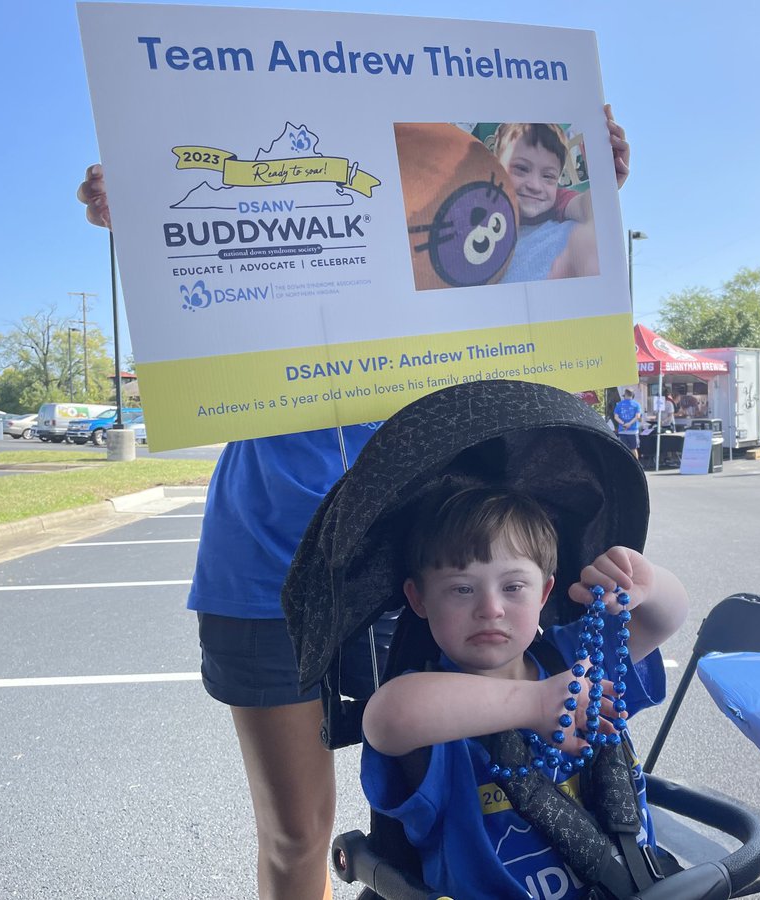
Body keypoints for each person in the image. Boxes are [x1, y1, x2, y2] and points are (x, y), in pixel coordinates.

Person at [78, 167, 389, 900]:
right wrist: (144, 213)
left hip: (419, 554)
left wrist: (583, 189)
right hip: (263, 566)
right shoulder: (268, 185)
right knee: (297, 835)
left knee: (452, 810)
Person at [362, 488, 689, 899]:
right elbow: (385, 719)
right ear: (419, 598)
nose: (491, 608)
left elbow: (665, 619)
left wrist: (648, 583)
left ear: (545, 592)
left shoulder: (572, 657)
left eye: (514, 587)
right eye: (462, 589)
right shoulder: (432, 710)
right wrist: (532, 704)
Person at [494, 106, 629, 283]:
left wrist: (605, 189)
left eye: (548, 176)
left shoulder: (557, 199)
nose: (535, 186)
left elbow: (584, 204)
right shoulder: (480, 199)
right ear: (495, 166)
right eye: (521, 169)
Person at [612, 388, 642, 459]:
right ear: (632, 395)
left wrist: (623, 423)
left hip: (622, 430)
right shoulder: (636, 404)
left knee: (624, 449)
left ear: (625, 395)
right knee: (634, 449)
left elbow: (616, 417)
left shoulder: (619, 404)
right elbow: (637, 416)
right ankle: (636, 466)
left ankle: (625, 465)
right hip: (633, 430)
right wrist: (629, 423)